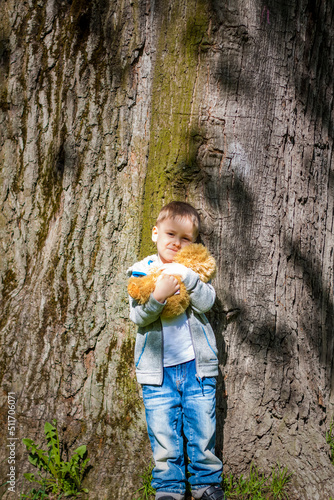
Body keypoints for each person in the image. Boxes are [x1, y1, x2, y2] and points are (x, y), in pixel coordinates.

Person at [127, 201, 225, 500]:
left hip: (196, 366)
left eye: (186, 239)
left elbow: (207, 303)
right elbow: (138, 317)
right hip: (158, 372)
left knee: (202, 426)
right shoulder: (142, 271)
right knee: (163, 432)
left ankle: (206, 482)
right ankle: (168, 487)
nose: (177, 243)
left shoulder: (193, 270)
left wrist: (189, 278)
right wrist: (158, 296)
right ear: (156, 233)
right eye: (171, 234)